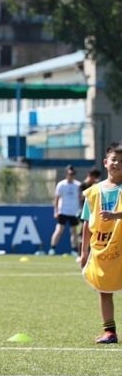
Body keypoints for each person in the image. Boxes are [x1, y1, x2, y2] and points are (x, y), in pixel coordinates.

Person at [81, 144, 122, 344]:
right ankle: (110, 332)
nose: (118, 164)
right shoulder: (94, 192)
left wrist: (116, 215)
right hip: (102, 249)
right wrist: (83, 252)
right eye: (114, 159)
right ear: (106, 163)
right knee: (104, 290)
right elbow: (87, 223)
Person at [49, 165, 81, 255]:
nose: (71, 176)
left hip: (74, 212)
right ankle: (52, 248)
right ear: (66, 174)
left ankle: (74, 249)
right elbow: (57, 198)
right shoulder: (61, 184)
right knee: (59, 230)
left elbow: (80, 198)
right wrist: (55, 211)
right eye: (70, 174)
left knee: (74, 231)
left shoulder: (77, 185)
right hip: (63, 211)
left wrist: (80, 210)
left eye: (73, 174)